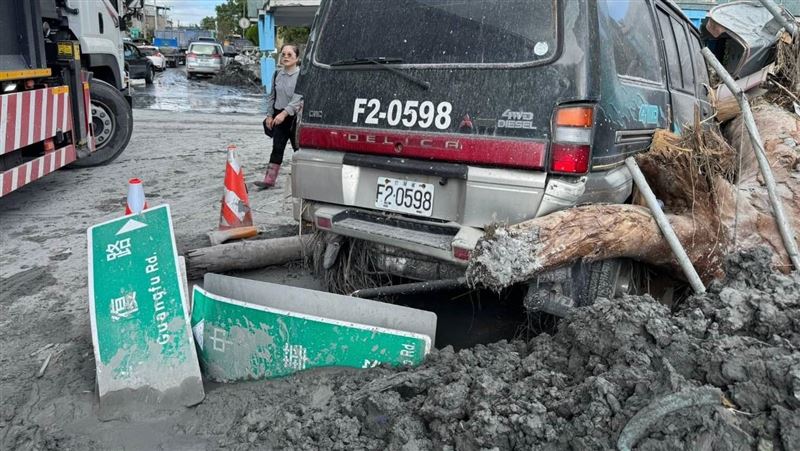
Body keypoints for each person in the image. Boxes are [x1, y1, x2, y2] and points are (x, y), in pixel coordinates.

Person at [255, 44, 303, 189]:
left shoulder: (301, 77)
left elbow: (298, 99)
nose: (285, 57)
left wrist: (284, 113)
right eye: (283, 54)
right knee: (277, 147)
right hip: (277, 117)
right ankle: (269, 180)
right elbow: (271, 96)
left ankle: (303, 181)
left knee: (299, 150)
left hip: (294, 118)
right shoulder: (277, 74)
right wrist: (269, 115)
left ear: (297, 58)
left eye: (290, 55)